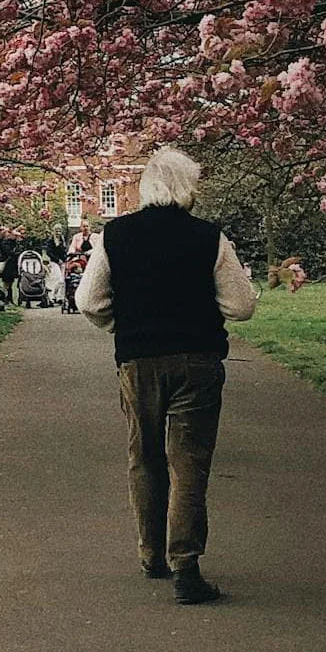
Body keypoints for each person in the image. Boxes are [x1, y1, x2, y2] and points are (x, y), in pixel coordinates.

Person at [75, 149, 257, 605]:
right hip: (196, 361)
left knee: (145, 455)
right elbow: (241, 306)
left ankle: (150, 552)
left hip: (138, 362)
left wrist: (126, 326)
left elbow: (89, 302)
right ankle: (186, 566)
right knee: (188, 462)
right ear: (188, 188)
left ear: (147, 188)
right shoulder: (209, 239)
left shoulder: (115, 236)